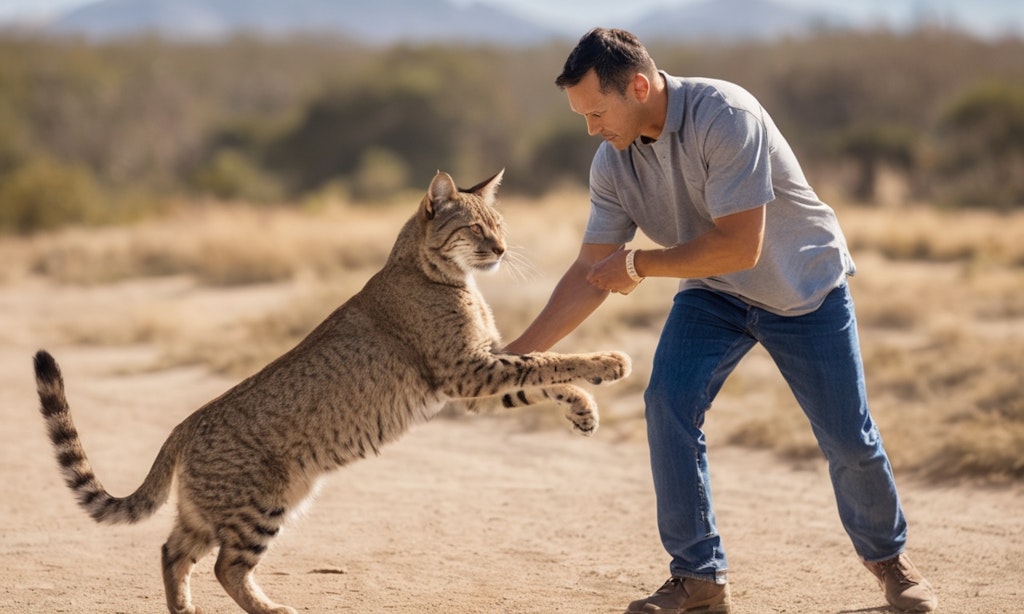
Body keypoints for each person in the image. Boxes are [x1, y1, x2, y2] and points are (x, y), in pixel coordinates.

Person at [504, 27, 938, 614]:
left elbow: (741, 247)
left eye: (598, 112)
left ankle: (892, 564)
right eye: (583, 116)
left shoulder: (724, 115)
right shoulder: (613, 162)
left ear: (638, 86)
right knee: (668, 403)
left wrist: (639, 262)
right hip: (714, 294)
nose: (592, 128)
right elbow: (590, 273)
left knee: (847, 438)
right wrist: (514, 360)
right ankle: (699, 579)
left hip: (802, 288)